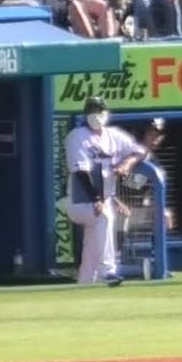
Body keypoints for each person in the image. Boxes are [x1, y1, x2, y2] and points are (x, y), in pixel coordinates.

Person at [64, 96, 161, 287]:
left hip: (106, 197)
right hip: (80, 198)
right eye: (91, 111)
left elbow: (140, 151)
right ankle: (108, 271)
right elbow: (81, 172)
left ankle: (84, 284)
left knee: (93, 248)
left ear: (106, 114)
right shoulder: (77, 136)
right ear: (85, 114)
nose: (96, 115)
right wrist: (96, 199)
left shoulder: (114, 135)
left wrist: (127, 163)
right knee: (103, 217)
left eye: (99, 111)